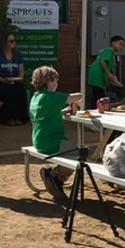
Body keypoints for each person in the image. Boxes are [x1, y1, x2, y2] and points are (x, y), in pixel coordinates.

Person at [29, 65, 83, 204]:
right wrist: (76, 100)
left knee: (74, 152)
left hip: (38, 139)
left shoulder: (36, 97)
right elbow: (78, 96)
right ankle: (54, 176)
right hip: (52, 141)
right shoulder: (51, 96)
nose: (57, 83)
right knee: (79, 155)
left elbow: (48, 113)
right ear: (48, 80)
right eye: (55, 80)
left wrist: (64, 111)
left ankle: (55, 178)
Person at [0, 33, 27, 126]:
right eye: (11, 41)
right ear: (5, 42)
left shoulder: (18, 56)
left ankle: (18, 117)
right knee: (5, 91)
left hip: (14, 79)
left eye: (14, 41)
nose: (13, 43)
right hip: (0, 80)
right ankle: (7, 118)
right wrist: (2, 80)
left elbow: (21, 71)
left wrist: (19, 78)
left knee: (20, 91)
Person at [87, 35, 125, 109]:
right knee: (99, 97)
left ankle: (94, 110)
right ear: (113, 43)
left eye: (122, 45)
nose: (121, 47)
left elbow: (106, 66)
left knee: (97, 95)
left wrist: (113, 79)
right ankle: (96, 110)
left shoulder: (109, 52)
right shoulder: (109, 50)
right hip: (97, 74)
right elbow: (102, 61)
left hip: (98, 75)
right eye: (120, 44)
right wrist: (109, 74)